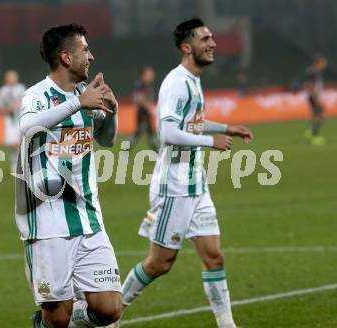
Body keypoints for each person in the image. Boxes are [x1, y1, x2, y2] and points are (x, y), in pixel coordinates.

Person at [118, 18, 253, 328]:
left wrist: (224, 127)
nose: (213, 44)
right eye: (206, 39)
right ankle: (112, 313)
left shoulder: (193, 80)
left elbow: (190, 122)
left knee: (214, 256)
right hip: (174, 187)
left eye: (212, 38)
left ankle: (226, 324)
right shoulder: (177, 82)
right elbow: (167, 133)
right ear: (187, 47)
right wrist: (211, 141)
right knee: (159, 264)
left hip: (196, 185)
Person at [15, 24, 122, 328]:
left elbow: (107, 139)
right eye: (85, 50)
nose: (91, 55)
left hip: (89, 217)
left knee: (109, 309)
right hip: (48, 223)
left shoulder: (83, 94)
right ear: (65, 57)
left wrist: (112, 112)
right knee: (57, 316)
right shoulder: (37, 95)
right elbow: (26, 129)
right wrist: (78, 103)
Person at [0, 69, 26, 171]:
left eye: (13, 77)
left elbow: (28, 102)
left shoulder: (22, 89)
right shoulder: (2, 91)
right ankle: (14, 161)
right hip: (9, 120)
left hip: (21, 119)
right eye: (9, 77)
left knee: (21, 142)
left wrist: (20, 105)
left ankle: (22, 164)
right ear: (6, 79)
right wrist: (8, 109)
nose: (12, 79)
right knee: (11, 144)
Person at [129, 66, 158, 150]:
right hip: (143, 113)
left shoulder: (146, 85)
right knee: (141, 132)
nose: (152, 76)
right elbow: (140, 98)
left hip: (146, 112)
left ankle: (157, 151)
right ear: (144, 75)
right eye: (149, 74)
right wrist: (151, 108)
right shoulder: (141, 84)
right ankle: (126, 149)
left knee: (149, 132)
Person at [304, 54, 327, 145]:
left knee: (318, 115)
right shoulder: (313, 72)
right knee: (320, 116)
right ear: (317, 63)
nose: (324, 64)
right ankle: (315, 137)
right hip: (314, 97)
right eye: (323, 62)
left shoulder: (313, 71)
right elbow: (309, 85)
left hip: (313, 96)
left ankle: (310, 131)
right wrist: (316, 99)